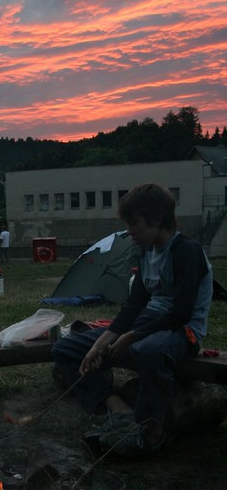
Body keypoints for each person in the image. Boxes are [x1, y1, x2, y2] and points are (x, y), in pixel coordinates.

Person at [51, 183, 213, 458]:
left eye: (134, 223)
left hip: (181, 331)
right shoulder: (147, 252)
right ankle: (120, 411)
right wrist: (101, 343)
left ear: (157, 219)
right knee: (66, 348)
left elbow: (181, 313)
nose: (129, 231)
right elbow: (134, 307)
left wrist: (130, 337)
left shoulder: (187, 251)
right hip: (147, 324)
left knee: (147, 350)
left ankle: (151, 433)